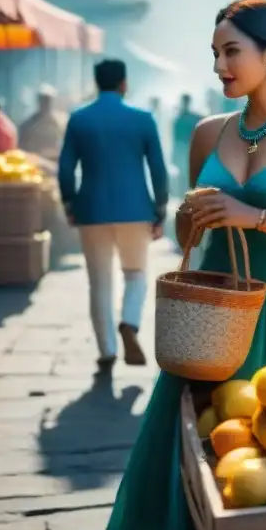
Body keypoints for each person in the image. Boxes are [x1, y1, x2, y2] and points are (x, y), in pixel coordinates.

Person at [106, 0, 266, 530]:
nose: (219, 65)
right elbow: (188, 229)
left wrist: (255, 216)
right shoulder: (206, 132)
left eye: (231, 51)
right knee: (211, 453)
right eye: (215, 53)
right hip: (212, 314)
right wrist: (189, 215)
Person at [58, 59, 169, 372]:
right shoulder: (143, 119)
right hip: (135, 210)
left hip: (91, 210)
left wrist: (69, 202)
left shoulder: (79, 119)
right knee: (135, 274)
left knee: (100, 282)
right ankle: (130, 323)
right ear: (124, 83)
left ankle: (106, 349)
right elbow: (157, 169)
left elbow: (66, 168)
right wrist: (160, 209)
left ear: (97, 83)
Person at [18, 84, 66, 161]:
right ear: (38, 101)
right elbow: (21, 147)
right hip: (34, 163)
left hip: (55, 162)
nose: (45, 103)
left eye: (47, 100)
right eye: (43, 100)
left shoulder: (61, 122)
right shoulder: (28, 125)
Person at [172, 93, 203, 195]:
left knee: (185, 177)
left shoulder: (179, 119)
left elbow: (176, 140)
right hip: (189, 151)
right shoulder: (196, 118)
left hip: (186, 151)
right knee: (188, 177)